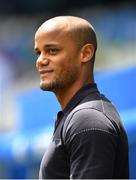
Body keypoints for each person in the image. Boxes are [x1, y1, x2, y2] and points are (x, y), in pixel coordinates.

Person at [34, 16, 129, 179]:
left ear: (85, 53)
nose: (40, 60)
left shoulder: (87, 119)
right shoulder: (79, 116)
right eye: (38, 52)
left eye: (52, 50)